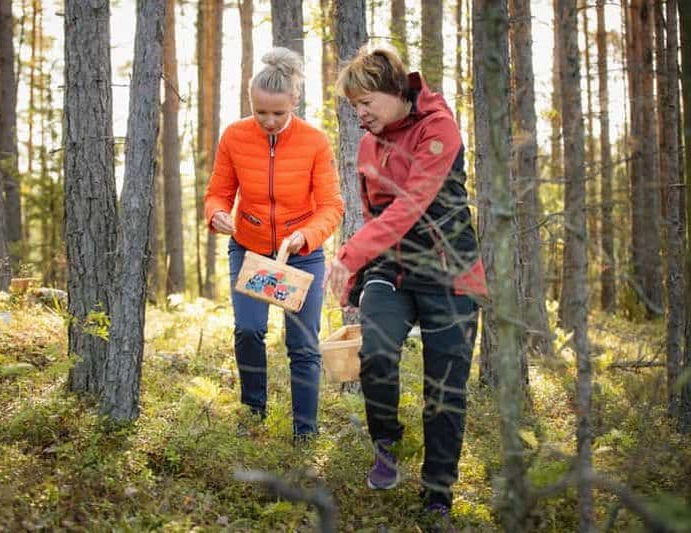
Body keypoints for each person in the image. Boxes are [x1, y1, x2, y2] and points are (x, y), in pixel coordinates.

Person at [326, 46, 487, 524]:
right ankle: (386, 445)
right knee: (374, 352)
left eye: (366, 101)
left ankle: (438, 491)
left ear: (396, 90)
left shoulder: (438, 127)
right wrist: (353, 275)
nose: (360, 113)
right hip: (390, 272)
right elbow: (375, 214)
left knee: (445, 390)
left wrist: (348, 254)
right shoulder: (366, 142)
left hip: (449, 274)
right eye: (354, 105)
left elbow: (411, 205)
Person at [204, 47, 344, 441]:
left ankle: (305, 432)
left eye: (277, 114)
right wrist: (216, 215)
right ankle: (253, 418)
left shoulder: (314, 142)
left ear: (293, 103)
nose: (268, 121)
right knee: (248, 331)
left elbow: (332, 206)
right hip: (249, 250)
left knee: (302, 343)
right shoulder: (234, 136)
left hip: (302, 256)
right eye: (260, 112)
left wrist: (306, 235)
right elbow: (217, 192)